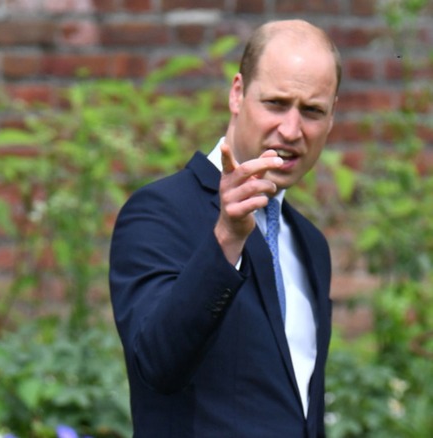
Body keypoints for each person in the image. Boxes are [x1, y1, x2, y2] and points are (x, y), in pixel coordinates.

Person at [109, 19, 340, 437]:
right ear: (238, 94)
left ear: (331, 117)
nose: (291, 130)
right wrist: (226, 240)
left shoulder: (310, 244)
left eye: (312, 111)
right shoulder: (158, 212)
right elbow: (156, 367)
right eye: (276, 103)